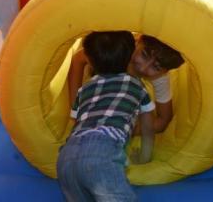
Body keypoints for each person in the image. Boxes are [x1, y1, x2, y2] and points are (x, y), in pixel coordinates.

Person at [58, 32, 154, 201]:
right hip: (102, 152)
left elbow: (76, 120)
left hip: (66, 156)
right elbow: (147, 127)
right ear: (130, 57)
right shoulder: (137, 86)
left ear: (90, 60)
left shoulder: (84, 89)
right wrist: (145, 156)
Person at [68, 34, 185, 134]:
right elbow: (79, 58)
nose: (143, 68)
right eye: (144, 54)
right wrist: (77, 109)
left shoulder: (160, 77)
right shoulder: (119, 48)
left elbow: (163, 120)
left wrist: (128, 129)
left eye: (156, 67)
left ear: (166, 71)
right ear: (138, 40)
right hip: (100, 72)